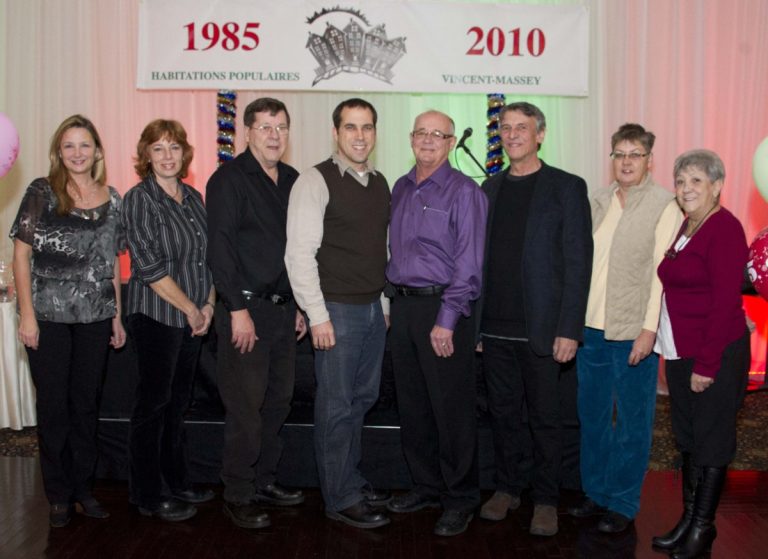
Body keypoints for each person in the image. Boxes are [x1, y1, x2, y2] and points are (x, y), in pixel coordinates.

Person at [478, 102, 592, 536]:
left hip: (545, 330)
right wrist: (475, 327)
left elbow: (578, 262)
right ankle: (509, 488)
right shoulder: (489, 189)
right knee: (504, 416)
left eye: (521, 128)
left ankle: (546, 497)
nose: (512, 135)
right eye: (505, 128)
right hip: (494, 328)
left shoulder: (566, 187)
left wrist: (569, 328)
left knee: (546, 419)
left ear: (540, 134)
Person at [10, 114, 126, 528]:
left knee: (85, 406)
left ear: (97, 150)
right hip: (47, 317)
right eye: (69, 146)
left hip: (95, 317)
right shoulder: (42, 192)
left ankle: (84, 490)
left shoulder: (114, 198)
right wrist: (26, 314)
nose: (77, 153)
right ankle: (57, 495)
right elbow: (21, 256)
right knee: (55, 408)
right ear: (59, 152)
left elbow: (111, 261)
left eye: (84, 145)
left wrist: (116, 316)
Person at [568, 124, 682, 533]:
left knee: (633, 422)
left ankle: (622, 502)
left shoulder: (664, 205)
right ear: (611, 158)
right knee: (593, 417)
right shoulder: (597, 199)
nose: (627, 161)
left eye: (635, 154)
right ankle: (595, 493)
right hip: (590, 330)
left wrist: (648, 331)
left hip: (632, 331)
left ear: (650, 160)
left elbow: (660, 275)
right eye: (620, 153)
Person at [285, 98, 391, 529]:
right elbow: (299, 254)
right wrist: (317, 315)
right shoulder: (315, 180)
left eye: (367, 127)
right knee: (335, 406)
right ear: (336, 133)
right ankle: (340, 497)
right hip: (336, 312)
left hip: (371, 310)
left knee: (360, 401)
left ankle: (350, 478)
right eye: (351, 127)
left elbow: (380, 249)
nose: (360, 136)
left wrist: (383, 304)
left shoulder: (380, 182)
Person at [385, 110, 488, 537]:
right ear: (411, 138)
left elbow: (469, 264)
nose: (428, 140)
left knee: (452, 411)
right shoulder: (400, 187)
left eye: (438, 134)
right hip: (405, 309)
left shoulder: (466, 192)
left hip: (444, 311)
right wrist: (391, 303)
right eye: (421, 133)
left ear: (450, 143)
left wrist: (446, 320)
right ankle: (425, 486)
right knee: (413, 406)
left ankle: (460, 497)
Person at [206, 98, 307, 529]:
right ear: (247, 132)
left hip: (285, 313)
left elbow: (300, 249)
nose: (273, 135)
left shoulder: (293, 180)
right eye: (264, 127)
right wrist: (238, 310)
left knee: (278, 402)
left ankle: (265, 480)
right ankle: (239, 492)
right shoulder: (228, 179)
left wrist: (300, 304)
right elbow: (221, 250)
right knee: (245, 407)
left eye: (280, 127)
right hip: (246, 311)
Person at [652, 150, 750, 559]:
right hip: (681, 351)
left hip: (714, 354)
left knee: (711, 441)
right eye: (680, 181)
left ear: (716, 186)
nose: (686, 189)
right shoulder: (690, 225)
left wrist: (707, 364)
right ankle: (689, 520)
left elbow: (727, 302)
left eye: (696, 181)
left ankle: (703, 528)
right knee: (689, 439)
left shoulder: (724, 228)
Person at [121, 119, 215, 522]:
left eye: (174, 147)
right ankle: (146, 492)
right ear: (145, 156)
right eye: (157, 149)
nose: (167, 156)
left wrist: (208, 304)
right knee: (153, 405)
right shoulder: (138, 199)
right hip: (157, 314)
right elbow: (148, 266)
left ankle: (176, 480)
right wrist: (191, 308)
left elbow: (207, 260)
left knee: (178, 404)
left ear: (185, 153)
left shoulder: (194, 198)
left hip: (194, 317)